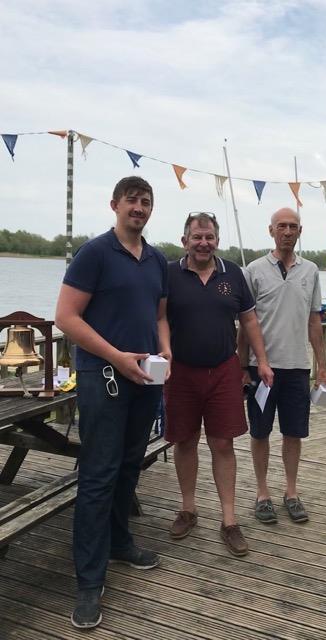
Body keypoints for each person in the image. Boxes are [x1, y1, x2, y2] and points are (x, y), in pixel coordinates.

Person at [55, 176, 171, 630]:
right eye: (132, 201)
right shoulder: (95, 253)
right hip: (103, 376)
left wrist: (166, 350)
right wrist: (116, 357)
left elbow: (160, 316)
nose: (138, 208)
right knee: (98, 473)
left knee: (128, 465)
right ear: (114, 205)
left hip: (146, 378)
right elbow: (66, 317)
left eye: (146, 202)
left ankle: (120, 542)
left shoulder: (157, 259)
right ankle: (88, 580)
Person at [165, 212, 273, 557]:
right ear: (185, 241)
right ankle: (188, 508)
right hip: (179, 371)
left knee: (222, 443)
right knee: (184, 441)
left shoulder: (233, 274)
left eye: (209, 237)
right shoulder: (169, 274)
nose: (203, 243)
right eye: (197, 237)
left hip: (223, 369)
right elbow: (156, 317)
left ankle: (229, 520)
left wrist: (263, 361)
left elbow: (250, 320)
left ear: (217, 240)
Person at [238, 207, 326, 525]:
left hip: (296, 367)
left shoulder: (310, 271)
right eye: (282, 226)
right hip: (260, 369)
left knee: (294, 433)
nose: (288, 231)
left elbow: (314, 321)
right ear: (271, 231)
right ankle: (262, 494)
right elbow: (244, 323)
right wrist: (241, 366)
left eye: (293, 226)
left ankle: (291, 493)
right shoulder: (253, 271)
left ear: (300, 231)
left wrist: (322, 367)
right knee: (261, 432)